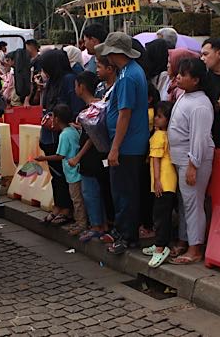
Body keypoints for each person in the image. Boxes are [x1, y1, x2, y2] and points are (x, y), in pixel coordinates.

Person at [96, 32, 149, 255]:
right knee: (125, 191)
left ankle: (127, 237)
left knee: (124, 193)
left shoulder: (127, 76)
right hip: (130, 143)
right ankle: (125, 233)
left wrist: (115, 147)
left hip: (127, 145)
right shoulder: (130, 71)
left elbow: (124, 114)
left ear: (115, 53)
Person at [168, 58, 214, 265]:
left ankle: (195, 248)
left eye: (183, 74)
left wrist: (193, 165)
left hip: (192, 160)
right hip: (181, 160)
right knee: (185, 202)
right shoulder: (185, 97)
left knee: (193, 203)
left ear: (195, 80)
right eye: (178, 73)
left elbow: (199, 138)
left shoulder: (200, 105)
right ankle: (185, 239)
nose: (178, 76)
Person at [37, 49, 84, 226]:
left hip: (61, 135)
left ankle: (66, 208)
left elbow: (73, 107)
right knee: (56, 175)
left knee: (64, 175)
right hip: (48, 135)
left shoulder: (68, 80)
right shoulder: (52, 81)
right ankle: (58, 205)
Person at [69, 71, 113, 243]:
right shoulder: (101, 105)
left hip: (91, 158)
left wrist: (78, 157)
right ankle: (103, 224)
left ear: (81, 87)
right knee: (99, 190)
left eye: (76, 85)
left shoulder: (91, 110)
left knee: (90, 192)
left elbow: (91, 138)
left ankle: (96, 226)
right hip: (101, 157)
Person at [36, 103, 87, 235]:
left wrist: (43, 158)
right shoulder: (73, 130)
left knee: (77, 199)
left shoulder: (64, 135)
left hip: (72, 172)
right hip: (76, 170)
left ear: (57, 119)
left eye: (52, 116)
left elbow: (60, 156)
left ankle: (81, 223)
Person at [142, 100, 177, 268]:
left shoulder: (158, 136)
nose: (156, 119)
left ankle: (161, 247)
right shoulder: (170, 135)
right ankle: (159, 244)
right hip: (169, 180)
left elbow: (156, 160)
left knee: (160, 216)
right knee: (163, 214)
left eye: (160, 116)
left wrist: (156, 181)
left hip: (162, 181)